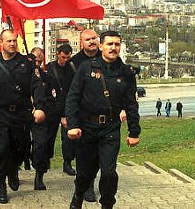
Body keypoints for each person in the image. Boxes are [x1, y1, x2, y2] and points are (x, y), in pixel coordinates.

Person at [66, 30, 141, 209]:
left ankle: (107, 204)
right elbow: (73, 97)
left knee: (108, 173)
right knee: (85, 173)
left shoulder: (126, 72)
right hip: (87, 128)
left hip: (110, 128)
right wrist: (73, 124)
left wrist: (134, 132)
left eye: (117, 44)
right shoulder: (86, 68)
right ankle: (78, 195)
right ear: (101, 46)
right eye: (109, 44)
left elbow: (131, 104)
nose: (113, 48)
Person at [0, 29, 46, 204]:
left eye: (14, 41)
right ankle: (1, 185)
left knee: (21, 147)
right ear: (1, 42)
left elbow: (37, 85)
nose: (12, 44)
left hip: (21, 113)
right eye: (9, 41)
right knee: (1, 149)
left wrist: (40, 106)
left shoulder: (27, 64)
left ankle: (14, 169)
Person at [29, 47, 58, 190]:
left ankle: (39, 175)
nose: (37, 64)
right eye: (35, 60)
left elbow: (52, 98)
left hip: (41, 117)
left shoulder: (46, 78)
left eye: (39, 61)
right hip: (22, 115)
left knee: (41, 145)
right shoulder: (20, 74)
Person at [46, 44, 75, 176]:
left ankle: (67, 162)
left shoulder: (72, 68)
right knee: (48, 136)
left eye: (68, 58)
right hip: (52, 107)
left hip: (67, 106)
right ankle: (46, 160)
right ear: (58, 54)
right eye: (63, 57)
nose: (65, 60)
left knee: (68, 138)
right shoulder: (49, 67)